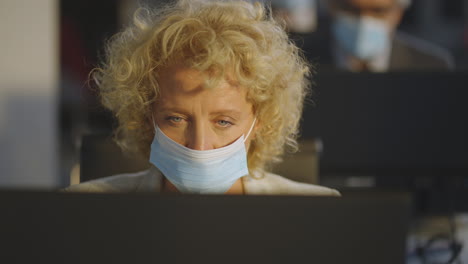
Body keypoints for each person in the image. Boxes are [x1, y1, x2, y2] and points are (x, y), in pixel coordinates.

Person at [64, 0, 339, 196]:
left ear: (261, 122)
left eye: (223, 121)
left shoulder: (319, 211)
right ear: (147, 117)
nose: (199, 145)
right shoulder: (84, 208)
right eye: (176, 118)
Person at [299, 0, 454, 72]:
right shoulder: (299, 61)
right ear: (331, 6)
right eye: (352, 10)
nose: (364, 21)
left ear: (398, 13)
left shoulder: (432, 66)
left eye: (378, 11)